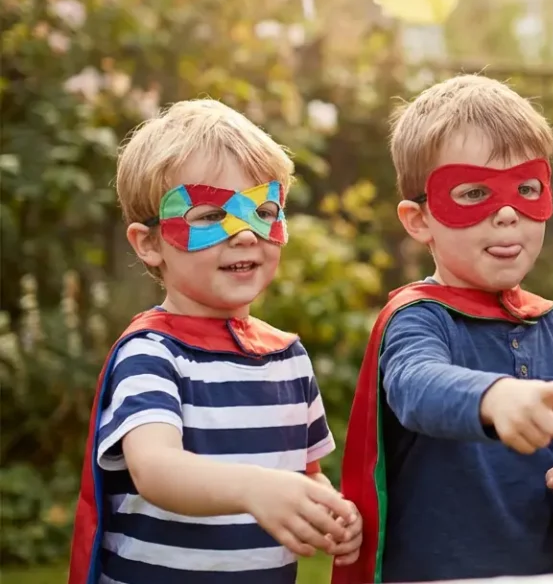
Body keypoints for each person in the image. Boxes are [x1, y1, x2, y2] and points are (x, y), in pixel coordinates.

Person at [67, 100, 362, 584]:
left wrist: (328, 512)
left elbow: (305, 475)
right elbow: (156, 468)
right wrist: (255, 489)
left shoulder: (287, 359)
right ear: (149, 243)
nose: (245, 233)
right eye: (208, 215)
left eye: (263, 210)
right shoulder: (151, 353)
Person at [334, 75, 553, 584]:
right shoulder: (418, 318)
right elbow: (416, 385)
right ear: (419, 221)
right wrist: (494, 397)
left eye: (526, 189)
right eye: (474, 192)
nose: (506, 213)